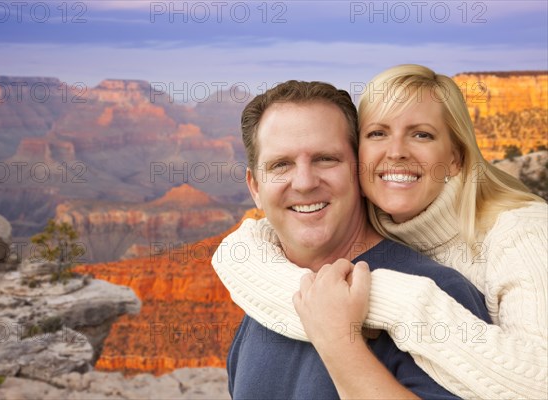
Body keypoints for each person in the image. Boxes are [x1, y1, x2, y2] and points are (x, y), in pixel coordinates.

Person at [212, 65, 548, 398]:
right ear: (254, 187)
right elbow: (243, 250)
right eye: (280, 165)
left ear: (356, 171)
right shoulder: (267, 293)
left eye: (326, 159)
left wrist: (368, 318)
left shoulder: (465, 276)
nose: (304, 182)